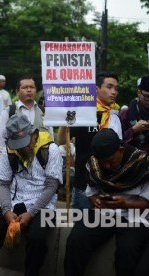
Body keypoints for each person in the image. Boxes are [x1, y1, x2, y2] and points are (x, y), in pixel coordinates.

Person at [64, 128, 149, 276]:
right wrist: (97, 201)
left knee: (127, 249)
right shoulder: (95, 162)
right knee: (76, 239)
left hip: (135, 216)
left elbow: (148, 203)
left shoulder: (142, 163)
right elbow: (91, 194)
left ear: (121, 149)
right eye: (103, 163)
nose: (107, 166)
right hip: (104, 213)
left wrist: (124, 204)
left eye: (110, 161)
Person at [0, 114, 63, 276]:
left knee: (37, 240)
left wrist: (31, 214)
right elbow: (3, 184)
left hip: (43, 204)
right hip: (13, 200)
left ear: (33, 134)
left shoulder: (51, 150)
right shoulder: (8, 151)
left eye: (26, 143)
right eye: (18, 145)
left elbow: (51, 186)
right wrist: (6, 211)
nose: (24, 149)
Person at [57, 71, 122, 210]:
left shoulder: (116, 116)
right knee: (81, 227)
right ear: (96, 89)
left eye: (116, 88)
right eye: (109, 87)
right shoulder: (83, 113)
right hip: (84, 185)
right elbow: (62, 139)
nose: (114, 92)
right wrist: (67, 119)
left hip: (109, 185)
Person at [0, 76, 54, 148]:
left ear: (36, 91)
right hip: (16, 157)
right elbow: (0, 138)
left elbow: (51, 136)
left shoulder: (44, 111)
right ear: (17, 92)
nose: (29, 90)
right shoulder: (9, 111)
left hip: (42, 157)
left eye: (32, 87)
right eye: (25, 87)